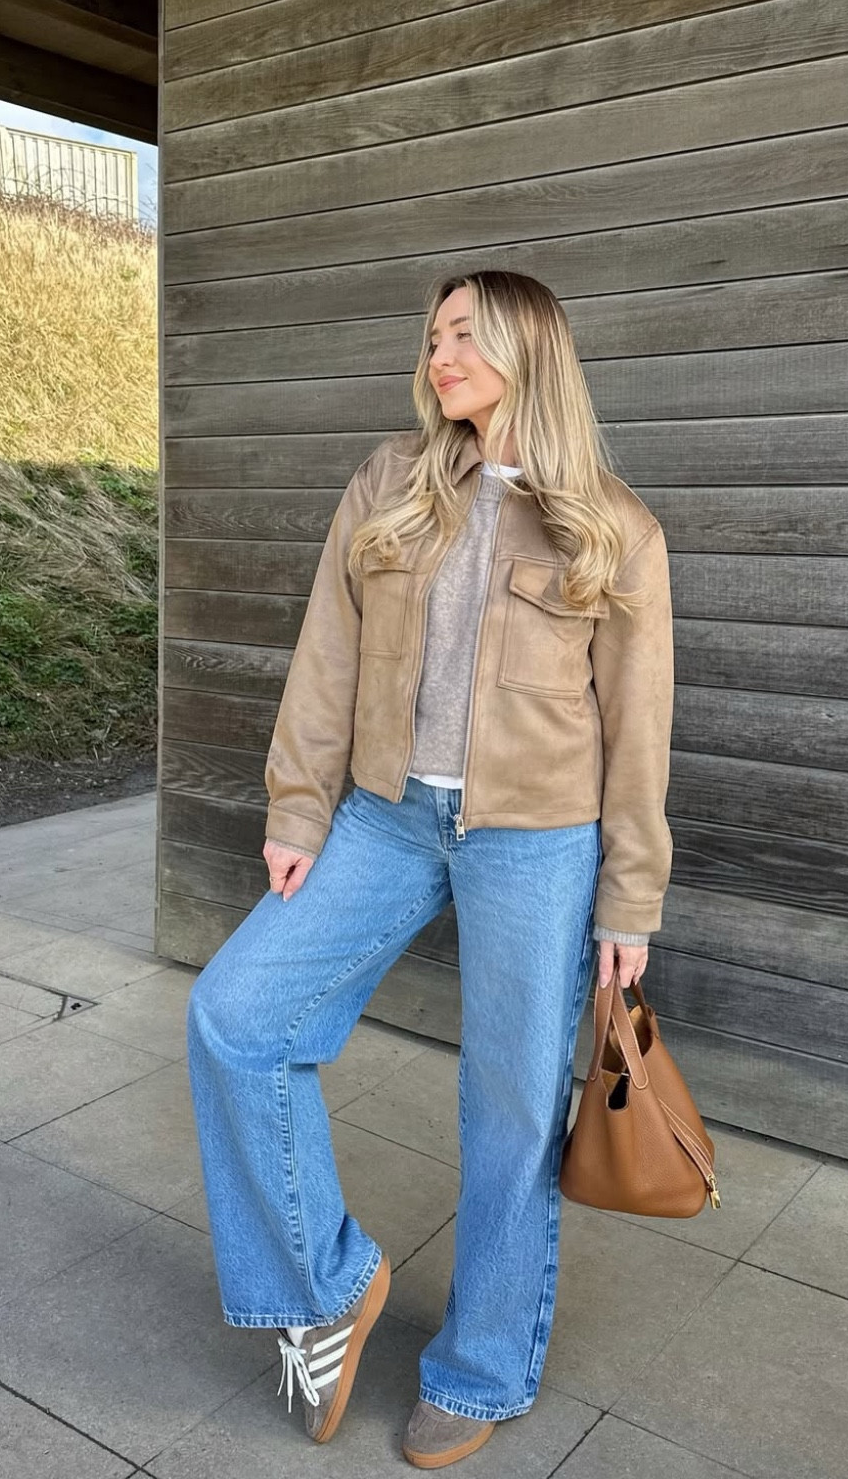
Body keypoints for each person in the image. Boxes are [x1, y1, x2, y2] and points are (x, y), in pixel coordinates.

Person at [186, 269, 674, 1469]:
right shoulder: (388, 484)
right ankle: (327, 1281)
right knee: (237, 1016)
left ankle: (483, 1366)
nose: (439, 351)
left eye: (465, 333)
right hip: (387, 817)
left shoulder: (613, 523)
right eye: (435, 333)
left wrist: (631, 897)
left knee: (510, 1109)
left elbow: (638, 734)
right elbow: (327, 656)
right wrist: (296, 807)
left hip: (539, 838)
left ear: (525, 347)